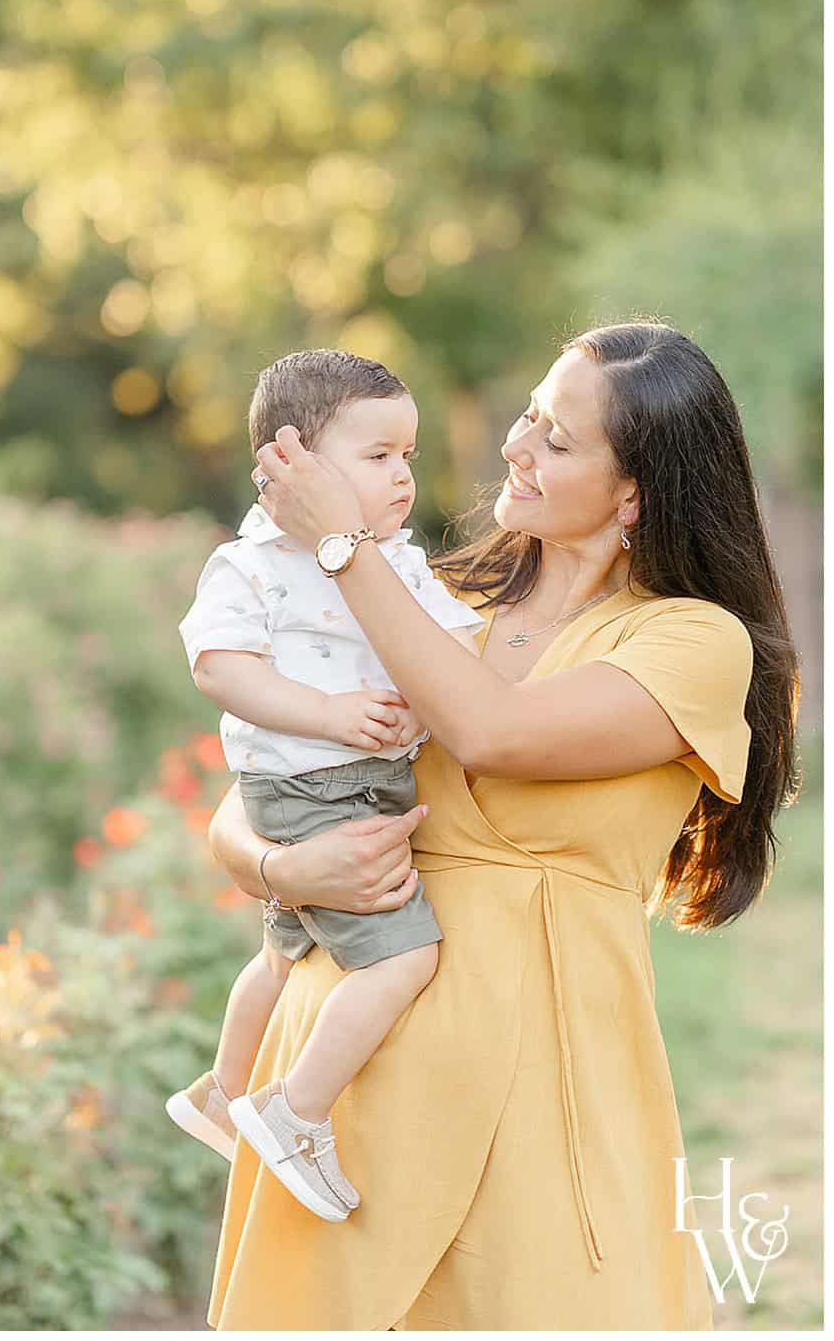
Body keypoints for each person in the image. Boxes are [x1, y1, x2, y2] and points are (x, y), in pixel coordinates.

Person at [199, 321, 801, 1331]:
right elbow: (250, 785)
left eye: (557, 439)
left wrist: (343, 547)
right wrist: (285, 860)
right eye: (529, 414)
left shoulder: (691, 641)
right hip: (342, 1084)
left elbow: (490, 730)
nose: (517, 446)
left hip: (546, 1083)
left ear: (633, 494)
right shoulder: (436, 600)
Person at [166, 351, 485, 1223]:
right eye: (377, 456)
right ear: (294, 458)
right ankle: (294, 1110)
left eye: (408, 457)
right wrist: (328, 713)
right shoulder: (254, 563)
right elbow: (220, 667)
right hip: (316, 785)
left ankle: (223, 1094)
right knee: (407, 957)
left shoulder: (398, 562)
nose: (402, 476)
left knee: (282, 952)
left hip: (358, 783)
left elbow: (459, 656)